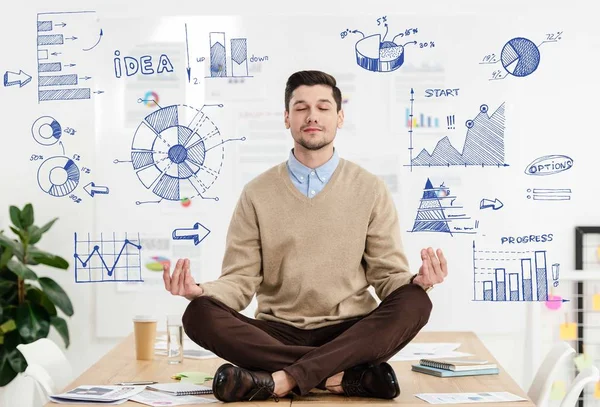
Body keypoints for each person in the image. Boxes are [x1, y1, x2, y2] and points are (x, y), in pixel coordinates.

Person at [163, 70, 448, 403]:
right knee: (198, 314)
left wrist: (420, 281)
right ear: (287, 118)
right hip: (278, 332)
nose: (312, 116)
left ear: (339, 117)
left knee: (415, 301)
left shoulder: (370, 188)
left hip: (350, 329)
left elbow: (387, 276)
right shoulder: (256, 193)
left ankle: (280, 380)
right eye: (301, 108)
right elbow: (240, 280)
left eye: (323, 107)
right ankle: (339, 377)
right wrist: (200, 291)